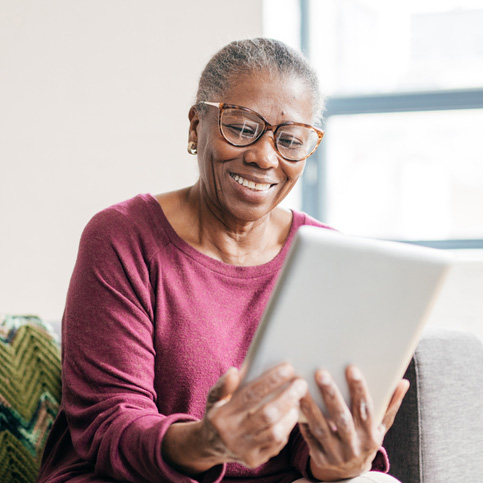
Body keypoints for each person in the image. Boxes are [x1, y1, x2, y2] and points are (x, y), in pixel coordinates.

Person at [37, 38, 408, 483]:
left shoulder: (324, 255)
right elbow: (110, 427)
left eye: (290, 140)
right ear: (197, 126)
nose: (264, 157)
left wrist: (340, 460)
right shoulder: (122, 238)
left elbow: (310, 440)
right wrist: (209, 441)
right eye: (242, 127)